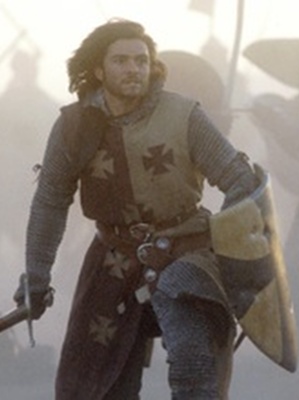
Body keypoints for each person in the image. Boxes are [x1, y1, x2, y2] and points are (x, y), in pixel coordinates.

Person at [13, 19, 263, 400]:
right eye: (121, 61)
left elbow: (242, 182)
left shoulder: (183, 115)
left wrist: (232, 258)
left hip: (186, 252)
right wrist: (35, 277)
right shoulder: (74, 126)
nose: (134, 69)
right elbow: (50, 201)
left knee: (194, 366)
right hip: (113, 257)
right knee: (91, 384)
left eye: (141, 60)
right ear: (99, 69)